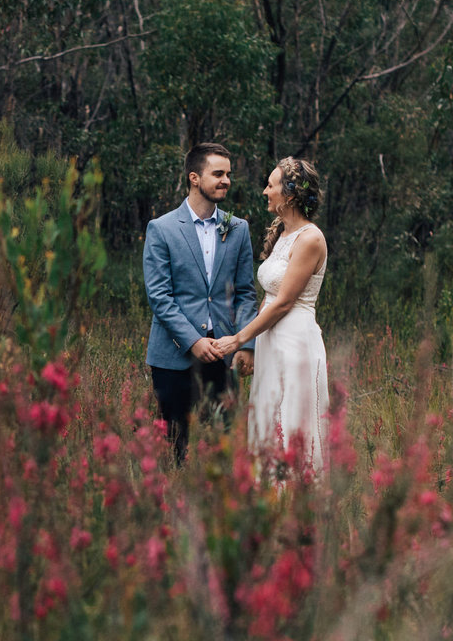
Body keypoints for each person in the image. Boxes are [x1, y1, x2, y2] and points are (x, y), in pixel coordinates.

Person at [141, 143, 262, 463]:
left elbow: (246, 293)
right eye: (218, 174)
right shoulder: (162, 229)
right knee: (174, 447)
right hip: (173, 357)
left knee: (224, 449)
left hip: (224, 357)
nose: (227, 181)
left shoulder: (238, 228)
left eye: (229, 174)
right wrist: (193, 341)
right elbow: (159, 297)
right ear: (194, 178)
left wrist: (245, 345)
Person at [217, 157, 330, 473]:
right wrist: (251, 347)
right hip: (271, 340)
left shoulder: (310, 238)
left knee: (291, 423)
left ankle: (296, 506)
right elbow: (269, 298)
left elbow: (283, 303)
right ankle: (267, 502)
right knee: (268, 422)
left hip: (295, 342)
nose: (265, 191)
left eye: (271, 185)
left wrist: (239, 338)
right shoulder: (282, 233)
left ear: (290, 194)